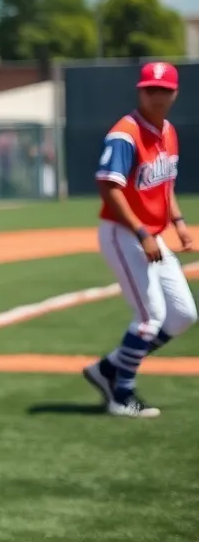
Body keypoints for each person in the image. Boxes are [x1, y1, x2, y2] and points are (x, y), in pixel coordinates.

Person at [85, 61, 195, 417]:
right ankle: (122, 395)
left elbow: (165, 186)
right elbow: (110, 187)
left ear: (175, 93)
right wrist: (142, 232)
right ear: (140, 91)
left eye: (164, 90)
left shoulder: (168, 131)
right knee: (150, 317)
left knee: (182, 315)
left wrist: (177, 221)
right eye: (151, 89)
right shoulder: (125, 133)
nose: (157, 96)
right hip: (124, 232)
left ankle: (107, 369)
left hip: (151, 234)